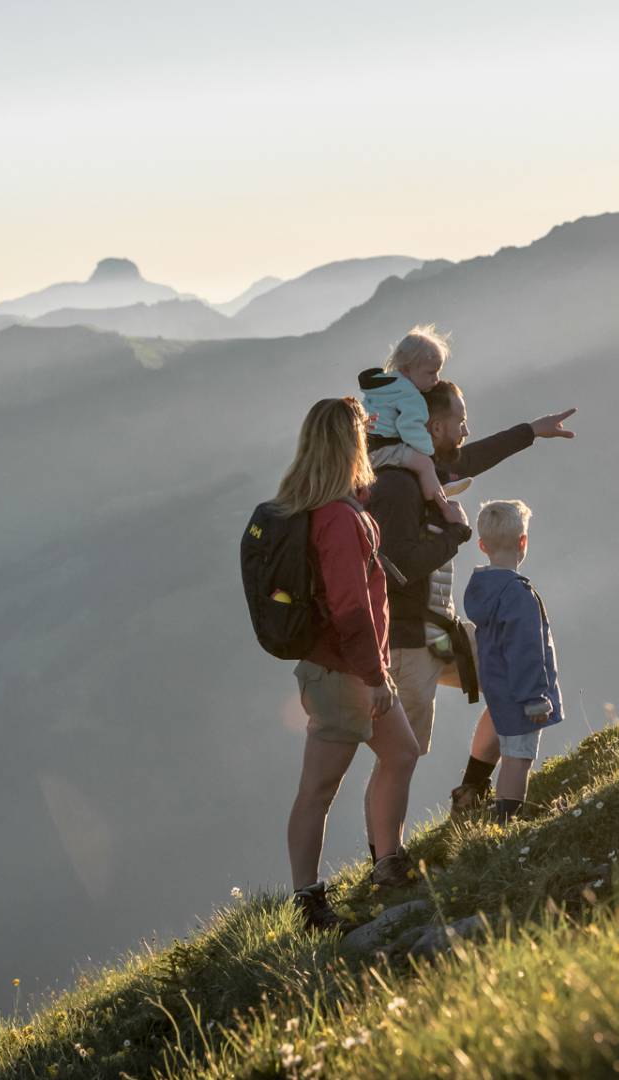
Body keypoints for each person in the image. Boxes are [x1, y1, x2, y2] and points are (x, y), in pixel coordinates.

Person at [362, 377, 576, 817]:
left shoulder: (427, 473)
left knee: (503, 676)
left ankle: (472, 792)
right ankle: (386, 859)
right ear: (434, 426)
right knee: (400, 757)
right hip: (407, 641)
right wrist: (455, 532)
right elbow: (399, 569)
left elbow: (474, 458)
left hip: (439, 633)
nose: (466, 428)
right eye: (459, 420)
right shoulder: (399, 484)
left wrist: (532, 431)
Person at [277, 397, 420, 931]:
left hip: (348, 668)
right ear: (347, 445)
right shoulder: (337, 519)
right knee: (318, 789)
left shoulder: (329, 506)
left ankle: (388, 865)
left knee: (401, 752)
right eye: (360, 435)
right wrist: (375, 676)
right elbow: (350, 607)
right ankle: (310, 903)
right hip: (344, 673)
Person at [463, 500, 564, 820]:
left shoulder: (482, 588)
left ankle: (475, 799)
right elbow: (527, 650)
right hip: (522, 693)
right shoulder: (518, 594)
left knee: (509, 748)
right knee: (518, 758)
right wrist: (536, 698)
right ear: (524, 542)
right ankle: (505, 822)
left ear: (482, 545)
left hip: (498, 684)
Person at [358, 326, 465, 517]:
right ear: (407, 369)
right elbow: (408, 428)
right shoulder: (410, 396)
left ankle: (437, 481)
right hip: (383, 448)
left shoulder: (386, 385)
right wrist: (428, 452)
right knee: (423, 463)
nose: (436, 379)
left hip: (367, 446)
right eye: (430, 373)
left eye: (438, 372)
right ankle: (436, 502)